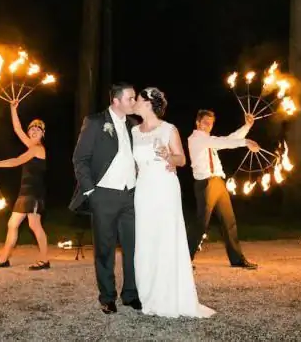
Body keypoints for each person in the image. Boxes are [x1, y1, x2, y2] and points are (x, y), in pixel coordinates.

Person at [130, 87, 215, 318]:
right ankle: (149, 294)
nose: (134, 102)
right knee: (146, 239)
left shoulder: (169, 129)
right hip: (144, 189)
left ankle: (170, 296)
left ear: (148, 103)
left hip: (165, 188)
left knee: (166, 238)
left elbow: (182, 159)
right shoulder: (135, 131)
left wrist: (169, 157)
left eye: (137, 99)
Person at [70, 83, 142, 314]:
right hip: (104, 195)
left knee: (133, 248)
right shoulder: (95, 122)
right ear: (116, 101)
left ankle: (130, 294)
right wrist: (91, 191)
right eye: (131, 98)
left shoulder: (134, 125)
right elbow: (80, 159)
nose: (135, 102)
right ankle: (107, 296)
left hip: (130, 196)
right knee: (104, 249)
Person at [186, 109, 260, 270]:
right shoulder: (196, 139)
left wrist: (247, 126)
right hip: (205, 184)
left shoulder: (209, 140)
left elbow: (228, 139)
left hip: (218, 182)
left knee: (229, 221)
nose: (208, 125)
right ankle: (184, 260)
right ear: (197, 123)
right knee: (201, 223)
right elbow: (224, 142)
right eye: (205, 122)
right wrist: (246, 142)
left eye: (211, 123)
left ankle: (237, 259)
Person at [0, 100, 49, 271]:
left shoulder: (38, 149)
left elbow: (16, 162)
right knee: (12, 225)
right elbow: (17, 129)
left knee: (34, 225)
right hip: (24, 192)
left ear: (43, 134)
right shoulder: (30, 146)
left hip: (34, 193)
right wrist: (13, 108)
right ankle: (3, 259)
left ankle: (44, 260)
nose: (34, 131)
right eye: (32, 129)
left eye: (38, 129)